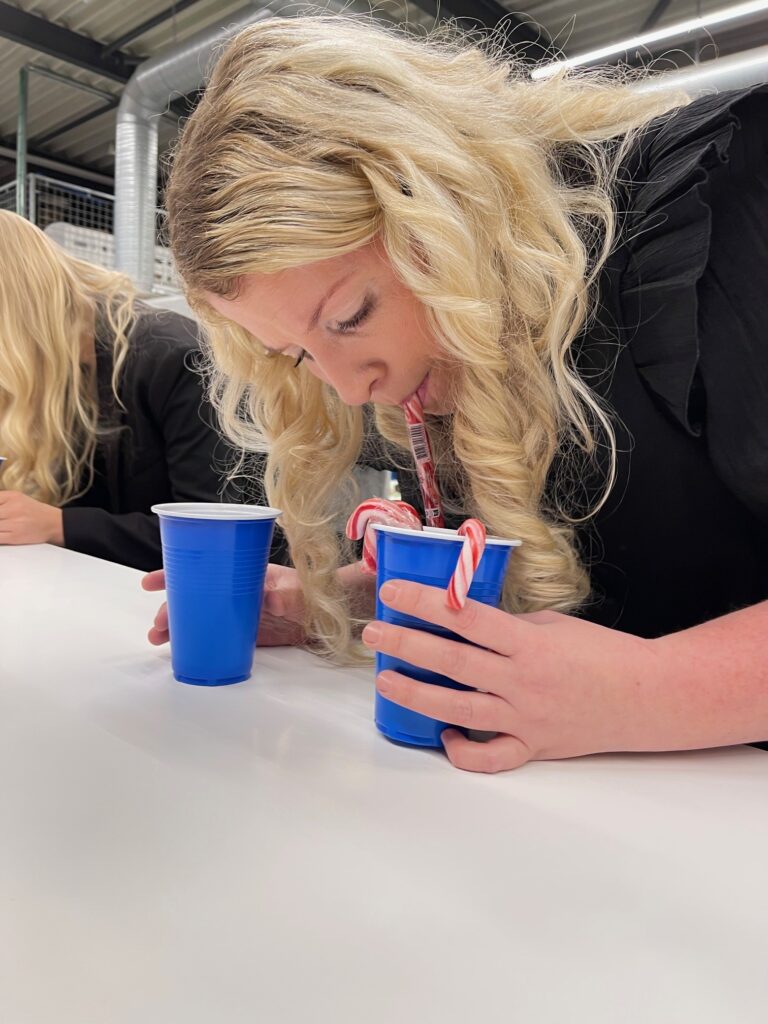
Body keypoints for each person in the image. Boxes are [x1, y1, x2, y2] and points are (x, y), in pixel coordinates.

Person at [145, 15, 768, 771]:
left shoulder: (723, 196)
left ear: (442, 210)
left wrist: (646, 691)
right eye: (299, 355)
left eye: (350, 316)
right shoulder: (438, 362)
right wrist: (341, 601)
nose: (349, 387)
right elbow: (580, 571)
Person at [0, 210, 230, 571]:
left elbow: (216, 532)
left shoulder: (175, 358)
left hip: (192, 594)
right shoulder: (59, 374)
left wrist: (59, 525)